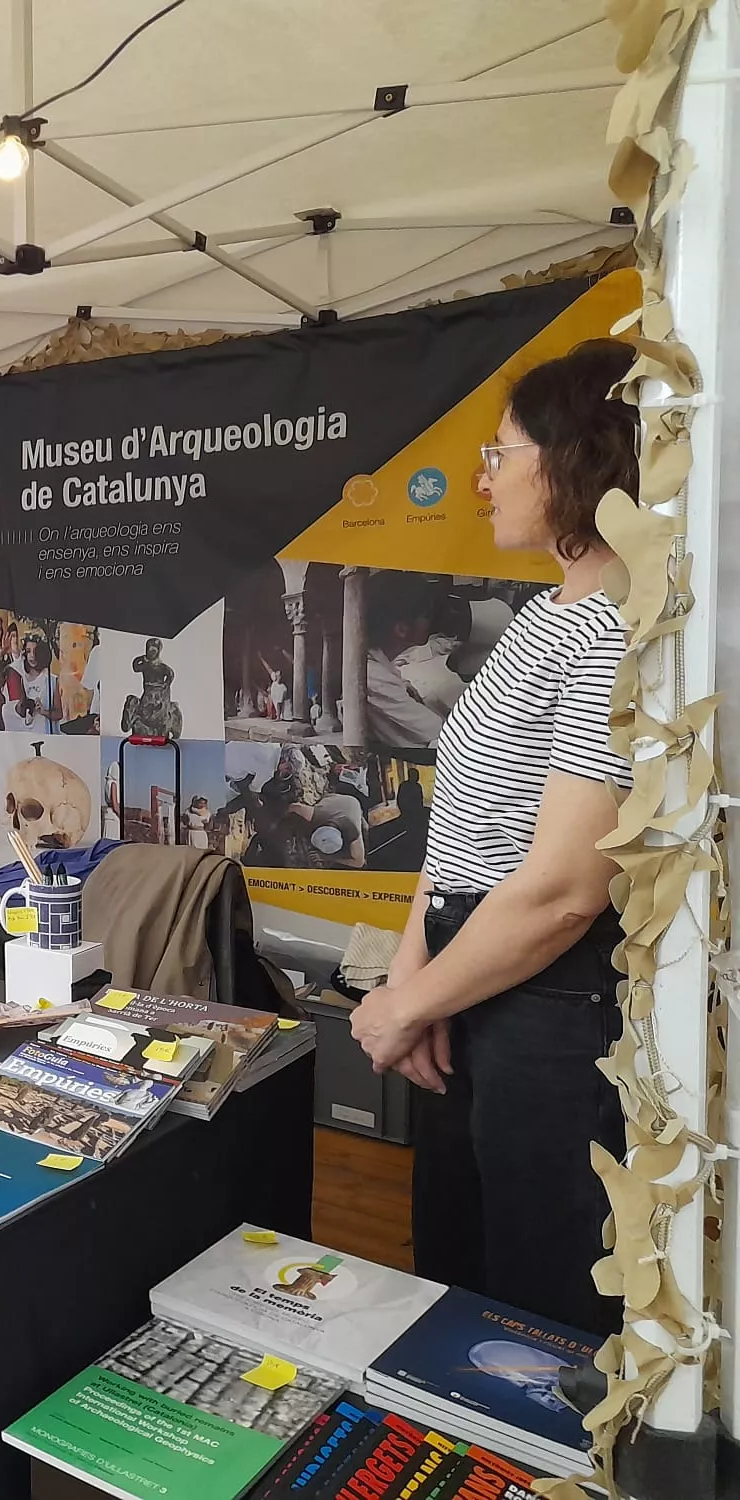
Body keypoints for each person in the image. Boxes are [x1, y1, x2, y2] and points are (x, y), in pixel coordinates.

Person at [350, 339, 639, 1335]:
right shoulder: (542, 616)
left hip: (547, 996)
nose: (483, 476)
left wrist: (407, 1002)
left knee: (534, 1302)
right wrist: (414, 976)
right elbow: (465, 817)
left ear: (576, 462)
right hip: (470, 967)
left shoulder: (614, 632)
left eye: (501, 451)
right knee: (453, 1270)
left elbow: (564, 889)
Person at [361, 572, 446, 748]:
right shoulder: (373, 677)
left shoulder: (380, 666)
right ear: (401, 629)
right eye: (426, 616)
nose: (431, 622)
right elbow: (439, 731)